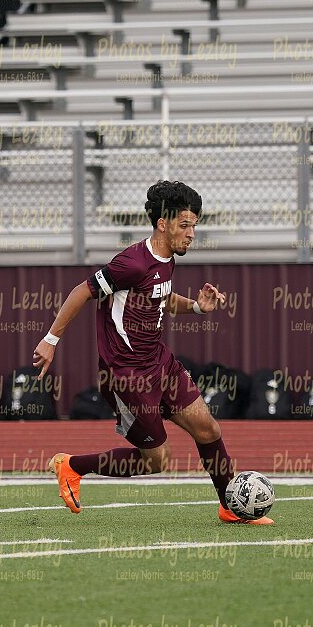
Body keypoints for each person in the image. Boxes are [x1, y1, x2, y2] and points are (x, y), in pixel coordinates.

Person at [33, 180, 273, 525]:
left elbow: (161, 297)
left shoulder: (167, 258)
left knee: (208, 429)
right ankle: (71, 466)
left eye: (194, 226)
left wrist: (197, 307)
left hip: (160, 363)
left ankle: (230, 506)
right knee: (157, 460)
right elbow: (81, 291)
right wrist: (50, 340)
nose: (191, 234)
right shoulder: (131, 263)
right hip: (127, 376)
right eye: (185, 225)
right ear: (163, 224)